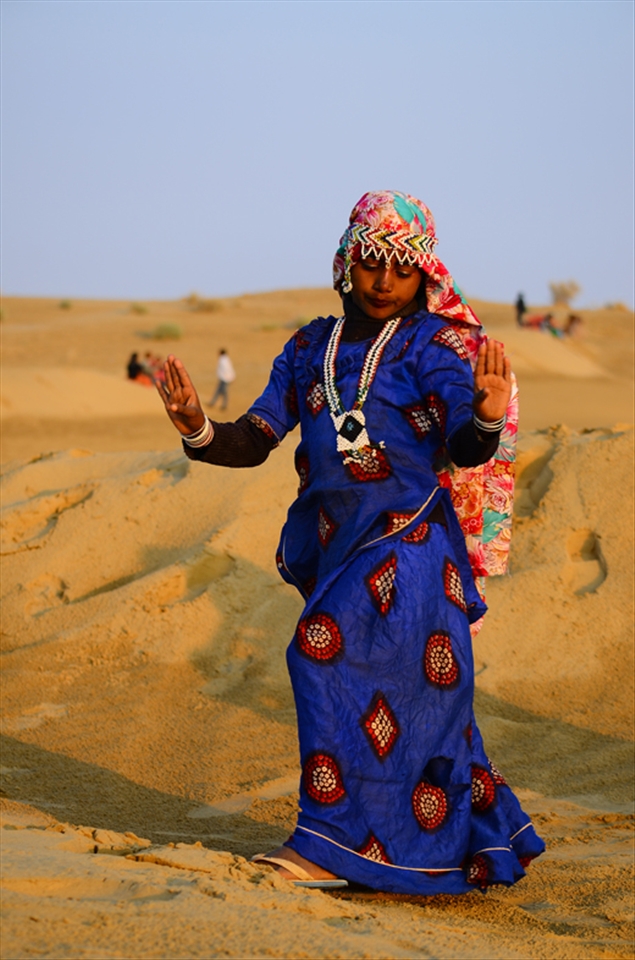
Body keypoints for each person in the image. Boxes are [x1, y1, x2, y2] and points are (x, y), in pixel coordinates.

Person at [155, 191, 545, 895]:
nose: (384, 280)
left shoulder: (433, 345)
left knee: (317, 653)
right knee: (392, 703)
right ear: (346, 261)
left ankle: (327, 844)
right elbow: (256, 438)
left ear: (423, 273)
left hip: (412, 541)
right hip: (341, 547)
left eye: (401, 266)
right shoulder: (308, 347)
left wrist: (484, 418)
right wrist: (196, 428)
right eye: (371, 261)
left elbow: (461, 442)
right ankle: (410, 849)